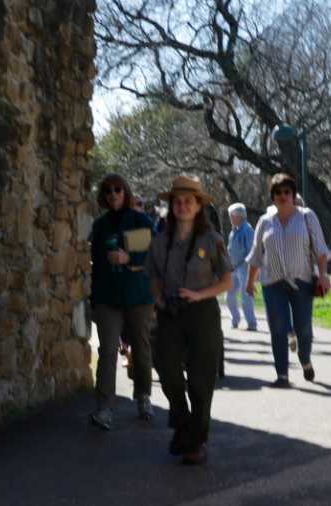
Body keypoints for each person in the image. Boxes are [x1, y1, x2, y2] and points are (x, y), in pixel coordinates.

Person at [148, 174, 233, 466]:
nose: (182, 206)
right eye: (178, 202)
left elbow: (226, 281)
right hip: (170, 312)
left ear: (198, 207)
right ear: (171, 206)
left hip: (202, 313)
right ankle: (183, 423)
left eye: (188, 202)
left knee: (200, 380)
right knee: (168, 370)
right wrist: (158, 299)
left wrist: (200, 295)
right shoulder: (159, 242)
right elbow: (154, 278)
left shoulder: (212, 240)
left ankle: (195, 441)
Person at [247, 171, 330, 388]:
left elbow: (321, 250)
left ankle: (305, 359)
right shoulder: (265, 222)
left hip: (302, 280)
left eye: (287, 192)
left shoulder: (306, 216)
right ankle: (282, 374)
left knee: (303, 328)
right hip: (272, 283)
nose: (283, 196)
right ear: (272, 197)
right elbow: (256, 254)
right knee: (278, 327)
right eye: (278, 193)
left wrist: (323, 276)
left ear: (293, 194)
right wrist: (249, 282)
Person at [88, 174, 157, 429]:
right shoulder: (100, 226)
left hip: (138, 296)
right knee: (107, 350)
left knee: (140, 347)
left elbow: (152, 255)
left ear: (125, 192)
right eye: (107, 191)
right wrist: (93, 300)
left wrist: (129, 259)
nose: (113, 194)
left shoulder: (140, 221)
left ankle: (143, 396)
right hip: (108, 297)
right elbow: (94, 266)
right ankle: (104, 408)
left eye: (117, 189)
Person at [224, 202, 258, 332]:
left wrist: (252, 275)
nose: (230, 218)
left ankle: (252, 323)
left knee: (246, 296)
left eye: (232, 215)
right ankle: (235, 320)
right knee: (229, 297)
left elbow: (252, 252)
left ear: (240, 216)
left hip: (244, 268)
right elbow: (230, 249)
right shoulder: (233, 231)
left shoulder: (248, 231)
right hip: (233, 268)